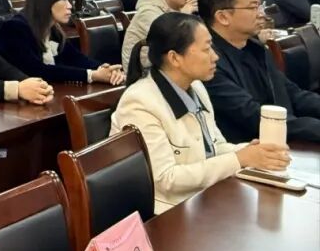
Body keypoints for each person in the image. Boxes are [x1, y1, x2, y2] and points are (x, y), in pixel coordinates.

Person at [112, 12, 289, 214]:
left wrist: (253, 152)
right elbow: (165, 179)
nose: (215, 56)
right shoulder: (139, 102)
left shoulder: (196, 86)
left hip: (200, 200)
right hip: (165, 214)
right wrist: (239, 159)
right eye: (206, 49)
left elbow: (214, 146)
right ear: (174, 58)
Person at [201, 0, 320, 143]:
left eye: (260, 6)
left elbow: (292, 93)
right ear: (223, 17)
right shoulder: (208, 62)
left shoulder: (255, 48)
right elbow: (253, 116)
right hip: (248, 147)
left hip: (283, 136)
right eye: (253, 7)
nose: (262, 14)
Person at [0, 0, 125, 85]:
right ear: (45, 1)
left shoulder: (52, 27)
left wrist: (104, 68)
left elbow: (74, 58)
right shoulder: (14, 28)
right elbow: (36, 70)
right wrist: (92, 75)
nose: (70, 6)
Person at [122, 0, 197, 73]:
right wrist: (184, 15)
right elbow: (171, 42)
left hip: (166, 65)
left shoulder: (178, 7)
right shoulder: (148, 12)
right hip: (143, 72)